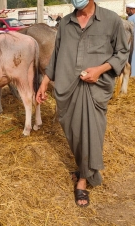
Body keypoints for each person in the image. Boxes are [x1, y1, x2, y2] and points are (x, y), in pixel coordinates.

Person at [36, 0, 129, 207]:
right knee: (75, 133)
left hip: (95, 90)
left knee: (92, 133)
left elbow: (122, 52)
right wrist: (44, 83)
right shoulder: (66, 23)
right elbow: (57, 56)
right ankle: (84, 167)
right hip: (67, 88)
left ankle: (83, 180)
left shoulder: (111, 20)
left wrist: (100, 69)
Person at [126, 3, 135, 76]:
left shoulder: (132, 18)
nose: (127, 12)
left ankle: (132, 74)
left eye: (127, 10)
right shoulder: (131, 17)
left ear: (132, 10)